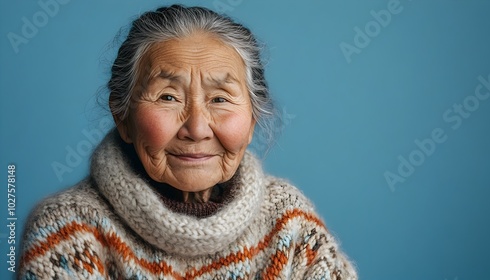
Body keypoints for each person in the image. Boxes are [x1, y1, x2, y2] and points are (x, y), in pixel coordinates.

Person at [18, 5, 357, 279]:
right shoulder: (68, 229)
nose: (196, 128)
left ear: (252, 120)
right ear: (123, 119)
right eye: (167, 97)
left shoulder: (289, 222)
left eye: (220, 99)